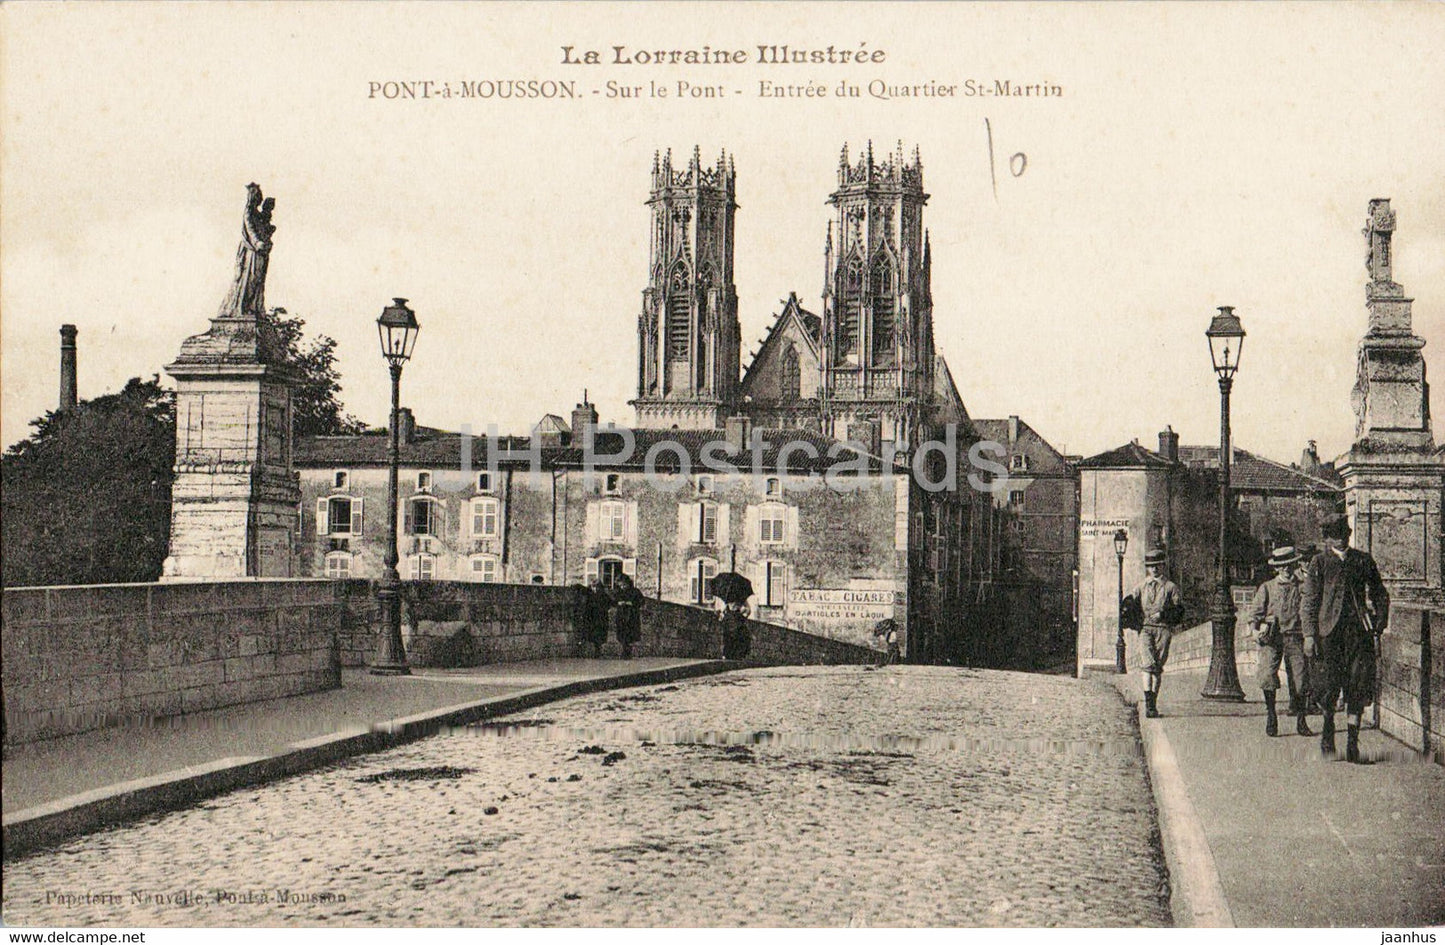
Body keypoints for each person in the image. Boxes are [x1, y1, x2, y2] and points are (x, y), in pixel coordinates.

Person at [1301, 514, 1389, 762]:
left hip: (1357, 635)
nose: (1339, 539)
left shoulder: (1363, 560)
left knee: (1357, 685)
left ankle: (1352, 742)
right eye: (1333, 535)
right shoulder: (1319, 563)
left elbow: (1380, 593)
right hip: (1328, 635)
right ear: (1327, 538)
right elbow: (1309, 602)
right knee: (1328, 686)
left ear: (1348, 535)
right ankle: (1328, 730)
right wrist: (1309, 634)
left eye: (1342, 534)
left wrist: (1379, 623)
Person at [1248, 545, 1312, 737]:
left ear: (1294, 565)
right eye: (1281, 566)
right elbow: (1255, 615)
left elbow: (1311, 610)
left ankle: (1301, 720)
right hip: (1273, 638)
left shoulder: (1303, 586)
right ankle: (1271, 716)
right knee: (1267, 675)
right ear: (1276, 568)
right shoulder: (1267, 588)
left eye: (1289, 565)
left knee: (1300, 680)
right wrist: (1255, 631)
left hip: (1296, 637)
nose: (1286, 569)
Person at [1125, 548, 1184, 718]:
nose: (1154, 569)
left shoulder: (1171, 587)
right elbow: (1130, 604)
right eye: (1151, 567)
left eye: (1157, 566)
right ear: (1147, 568)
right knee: (1147, 665)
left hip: (1163, 630)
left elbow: (1179, 610)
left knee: (1157, 667)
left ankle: (1153, 704)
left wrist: (1163, 614)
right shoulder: (1141, 586)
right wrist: (1129, 613)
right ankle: (1148, 705)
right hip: (1145, 629)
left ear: (1162, 566)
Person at [612, 574, 645, 659]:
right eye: (621, 585)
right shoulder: (618, 592)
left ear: (628, 583)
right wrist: (618, 603)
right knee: (621, 633)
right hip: (621, 615)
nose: (622, 587)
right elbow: (613, 601)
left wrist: (632, 603)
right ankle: (625, 651)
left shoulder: (635, 591)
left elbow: (641, 601)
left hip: (631, 615)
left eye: (624, 585)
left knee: (630, 634)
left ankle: (627, 652)